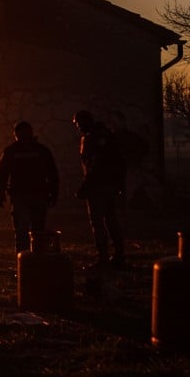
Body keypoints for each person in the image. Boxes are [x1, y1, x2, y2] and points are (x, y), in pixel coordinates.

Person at [0, 121, 60, 252]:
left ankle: (23, 260)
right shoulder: (41, 150)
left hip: (21, 196)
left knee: (22, 231)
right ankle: (37, 257)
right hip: (37, 195)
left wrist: (0, 193)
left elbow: (1, 174)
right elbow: (53, 175)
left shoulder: (11, 151)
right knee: (37, 231)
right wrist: (53, 193)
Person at [73, 109, 127, 268]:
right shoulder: (106, 136)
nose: (77, 127)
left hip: (97, 186)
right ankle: (118, 255)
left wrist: (85, 186)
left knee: (98, 221)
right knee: (110, 219)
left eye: (78, 123)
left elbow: (94, 166)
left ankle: (104, 256)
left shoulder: (93, 138)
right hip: (108, 185)